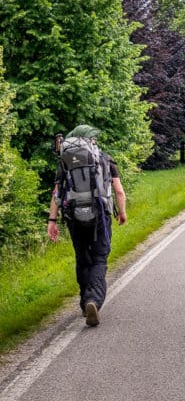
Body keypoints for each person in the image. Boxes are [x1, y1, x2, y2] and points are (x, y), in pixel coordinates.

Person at [46, 126, 127, 327]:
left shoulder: (64, 161)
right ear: (91, 140)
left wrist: (52, 221)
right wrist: (122, 212)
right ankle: (93, 300)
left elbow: (57, 194)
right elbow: (118, 191)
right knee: (100, 257)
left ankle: (84, 303)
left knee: (82, 257)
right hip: (100, 214)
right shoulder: (105, 159)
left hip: (73, 216)